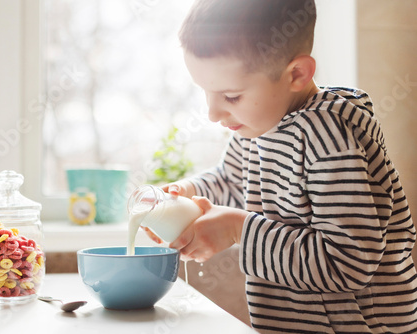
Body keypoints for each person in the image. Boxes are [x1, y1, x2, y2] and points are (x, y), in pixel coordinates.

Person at [143, 0, 417, 332]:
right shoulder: (257, 126)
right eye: (206, 92)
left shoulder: (329, 137)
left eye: (231, 96)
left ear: (297, 74)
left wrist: (236, 229)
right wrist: (185, 195)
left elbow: (348, 264)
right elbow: (231, 181)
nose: (213, 113)